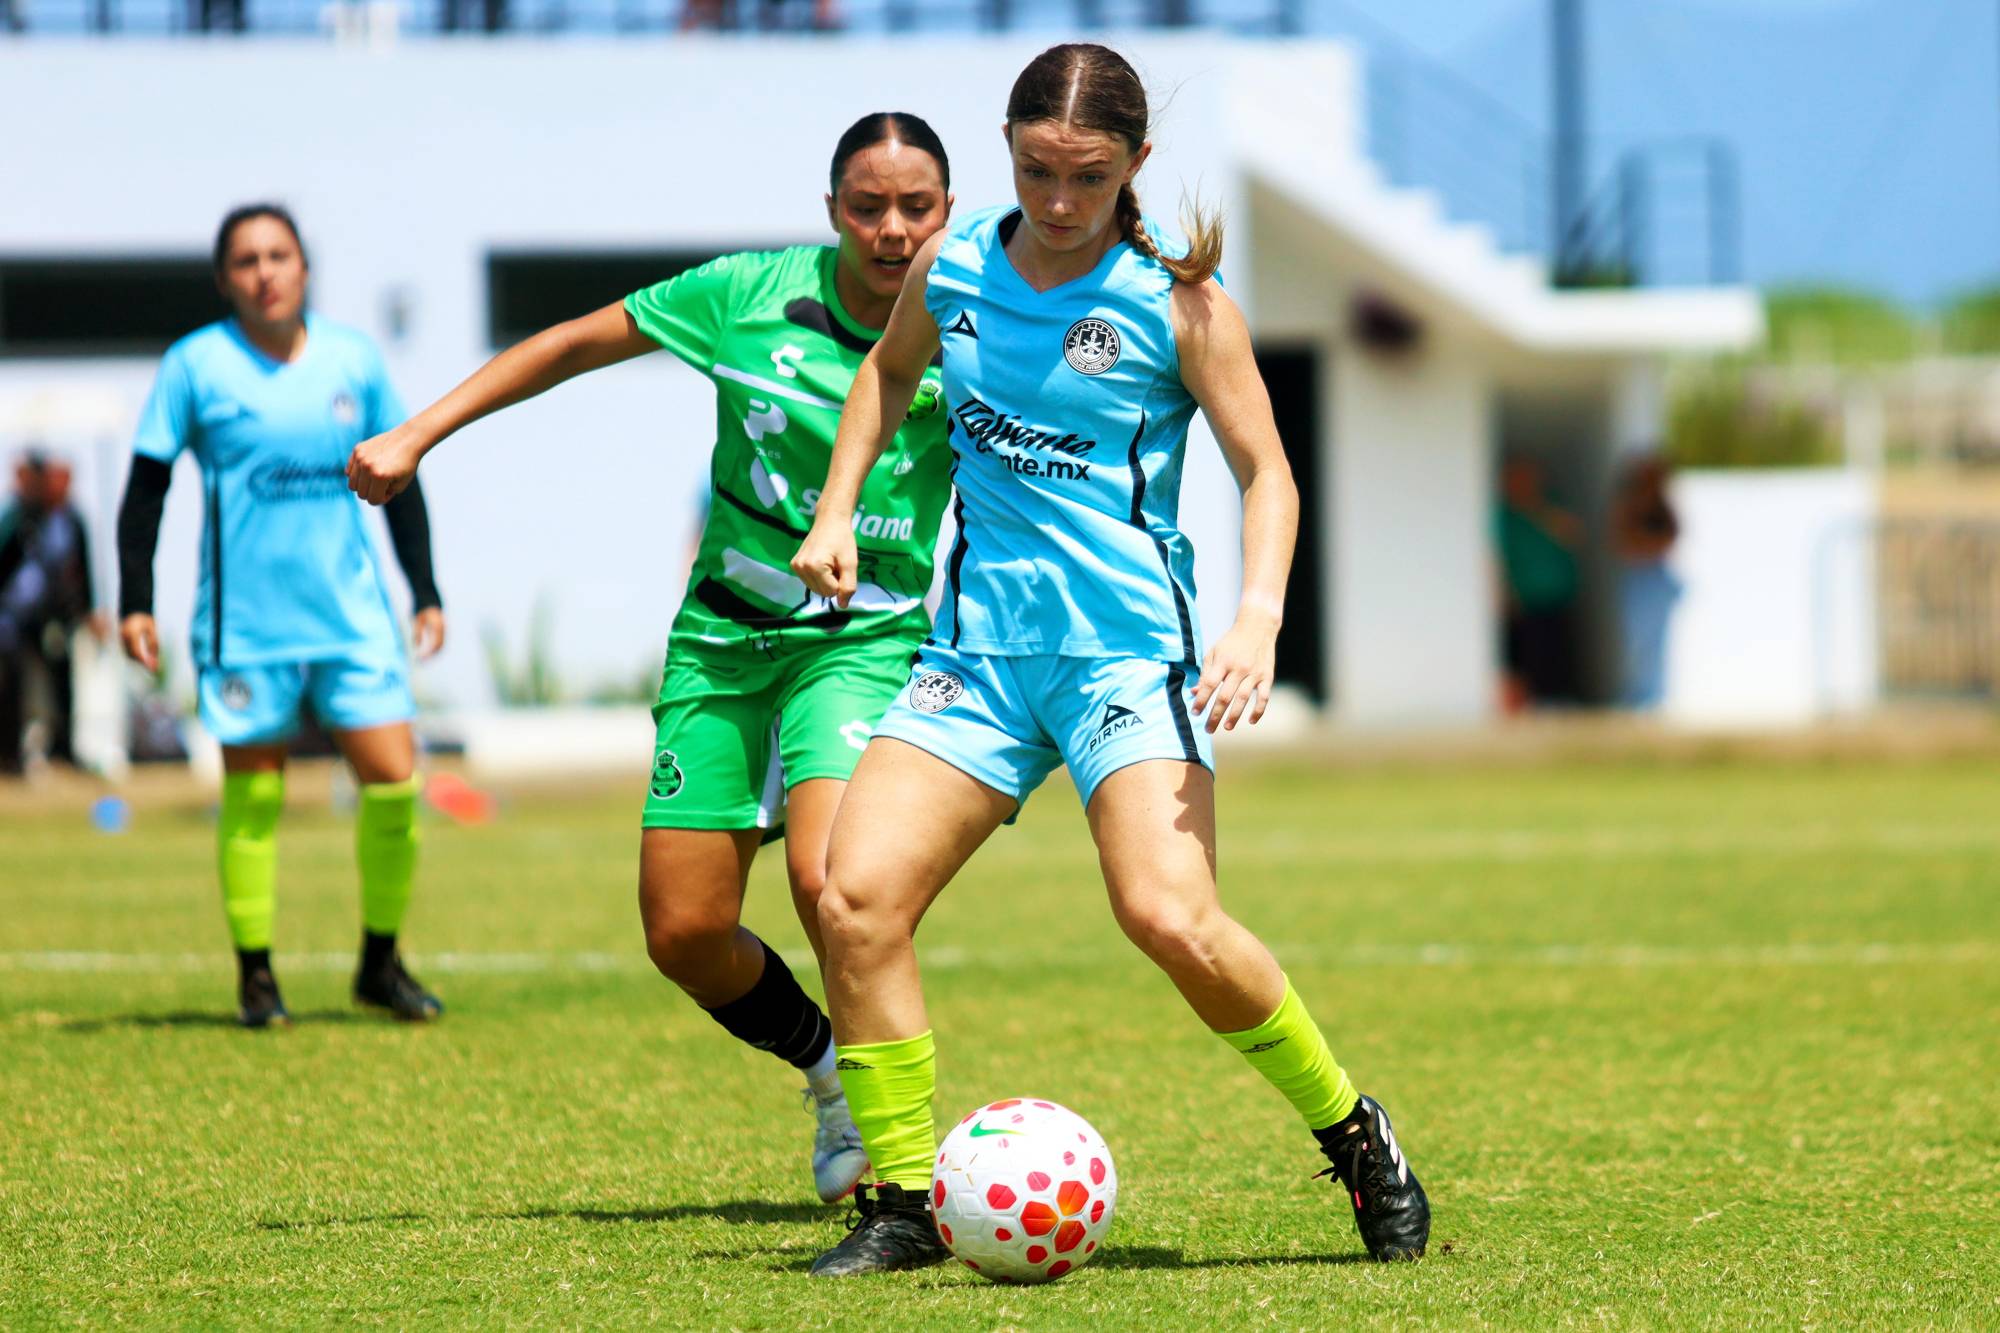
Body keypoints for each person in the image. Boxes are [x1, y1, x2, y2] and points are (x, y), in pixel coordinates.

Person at [789, 43, 1431, 1277]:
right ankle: (909, 1201)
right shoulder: (956, 262)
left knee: (1166, 915)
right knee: (851, 901)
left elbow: (1268, 474)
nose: (1058, 200)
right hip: (975, 656)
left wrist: (1255, 616)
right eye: (1035, 170)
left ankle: (1353, 1134)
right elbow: (884, 375)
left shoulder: (1177, 307)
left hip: (1121, 661)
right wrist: (834, 510)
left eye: (1086, 175)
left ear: (1134, 165)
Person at [345, 114, 956, 1205]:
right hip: (721, 641)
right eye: (868, 205)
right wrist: (417, 434)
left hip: (864, 642)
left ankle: (896, 1155)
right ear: (831, 211)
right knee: (682, 931)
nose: (892, 229)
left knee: (831, 882)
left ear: (946, 213)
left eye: (916, 207)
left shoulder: (977, 324)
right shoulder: (747, 293)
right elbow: (572, 342)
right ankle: (826, 1073)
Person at [116, 203, 447, 1029]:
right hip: (246, 626)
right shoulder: (195, 366)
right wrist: (133, 601)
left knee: (394, 785)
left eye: (279, 255)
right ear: (224, 279)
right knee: (255, 800)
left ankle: (379, 961)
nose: (264, 272)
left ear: (305, 268)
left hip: (351, 615)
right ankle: (257, 977)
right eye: (246, 260)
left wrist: (426, 589)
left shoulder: (354, 360)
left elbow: (402, 475)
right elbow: (145, 490)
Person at [0, 450, 98, 774]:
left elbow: (82, 571)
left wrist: (88, 611)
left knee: (61, 682)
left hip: (55, 617)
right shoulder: (21, 516)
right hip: (14, 618)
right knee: (13, 685)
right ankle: (11, 755)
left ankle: (63, 750)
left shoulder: (71, 520)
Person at [1495, 454, 1582, 708]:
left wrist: (1535, 506)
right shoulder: (1503, 515)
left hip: (1557, 596)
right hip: (1524, 599)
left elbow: (1573, 535)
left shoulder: (1550, 504)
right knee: (1527, 656)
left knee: (1557, 653)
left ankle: (1558, 700)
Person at [1612, 453, 1681, 708]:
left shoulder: (1662, 505)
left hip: (1658, 577)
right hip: (1639, 578)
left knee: (1657, 640)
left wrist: (1647, 546)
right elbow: (1623, 543)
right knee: (1637, 638)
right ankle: (1637, 694)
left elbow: (1672, 537)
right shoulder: (1629, 504)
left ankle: (1653, 696)